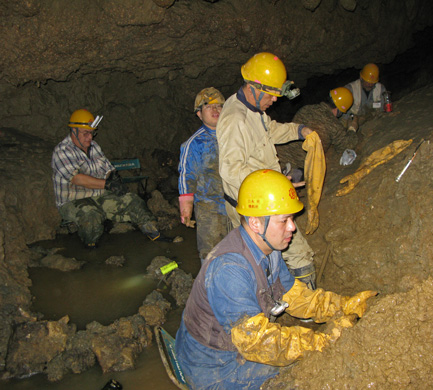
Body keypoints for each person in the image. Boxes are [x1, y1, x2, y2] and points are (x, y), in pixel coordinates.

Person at [175, 169, 377, 390]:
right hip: (214, 366)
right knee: (310, 374)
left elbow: (295, 296)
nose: (292, 227)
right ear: (255, 224)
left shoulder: (269, 248)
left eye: (291, 218)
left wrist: (344, 305)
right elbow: (258, 343)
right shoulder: (229, 270)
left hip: (237, 346)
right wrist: (324, 342)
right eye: (284, 220)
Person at [217, 52, 318, 288]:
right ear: (254, 87)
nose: (274, 101)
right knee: (296, 252)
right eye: (271, 95)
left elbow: (269, 130)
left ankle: (280, 297)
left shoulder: (252, 108)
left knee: (266, 257)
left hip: (264, 199)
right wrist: (274, 186)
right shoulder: (235, 119)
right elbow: (231, 170)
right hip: (255, 206)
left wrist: (298, 130)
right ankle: (309, 306)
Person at [52, 108, 166, 248]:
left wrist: (112, 178)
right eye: (85, 133)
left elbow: (107, 168)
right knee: (91, 215)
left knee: (132, 200)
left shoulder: (93, 147)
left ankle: (155, 235)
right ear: (73, 131)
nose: (90, 137)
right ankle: (91, 247)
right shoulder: (62, 151)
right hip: (73, 199)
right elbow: (77, 179)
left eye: (92, 133)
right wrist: (107, 184)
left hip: (98, 194)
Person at [178, 87, 229, 262]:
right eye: (208, 106)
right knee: (211, 254)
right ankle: (209, 287)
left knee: (238, 250)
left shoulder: (234, 135)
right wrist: (186, 206)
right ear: (199, 114)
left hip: (236, 203)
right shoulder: (193, 143)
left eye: (219, 106)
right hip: (209, 207)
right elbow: (187, 174)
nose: (215, 110)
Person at [277, 86, 356, 172]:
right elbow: (348, 144)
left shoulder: (305, 109)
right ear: (339, 110)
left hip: (279, 156)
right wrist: (352, 128)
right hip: (298, 167)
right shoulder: (334, 124)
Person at [343, 63, 387, 132]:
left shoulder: (381, 89)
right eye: (367, 81)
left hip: (371, 120)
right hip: (353, 120)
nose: (370, 84)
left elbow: (384, 109)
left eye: (372, 82)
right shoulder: (350, 89)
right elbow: (342, 113)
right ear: (361, 78)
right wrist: (352, 121)